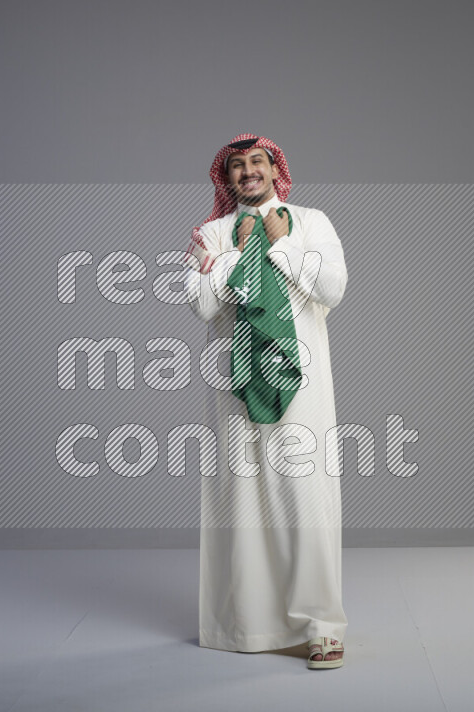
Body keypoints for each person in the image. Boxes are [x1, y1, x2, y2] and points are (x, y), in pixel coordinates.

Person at [181, 133, 349, 669]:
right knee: (240, 497)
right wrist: (233, 255)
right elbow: (202, 304)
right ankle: (247, 627)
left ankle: (322, 627)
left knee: (305, 494)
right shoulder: (212, 231)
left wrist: (280, 243)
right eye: (237, 166)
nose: (248, 172)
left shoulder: (312, 222)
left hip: (300, 380)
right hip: (232, 383)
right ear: (227, 179)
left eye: (258, 162)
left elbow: (333, 288)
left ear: (276, 171)